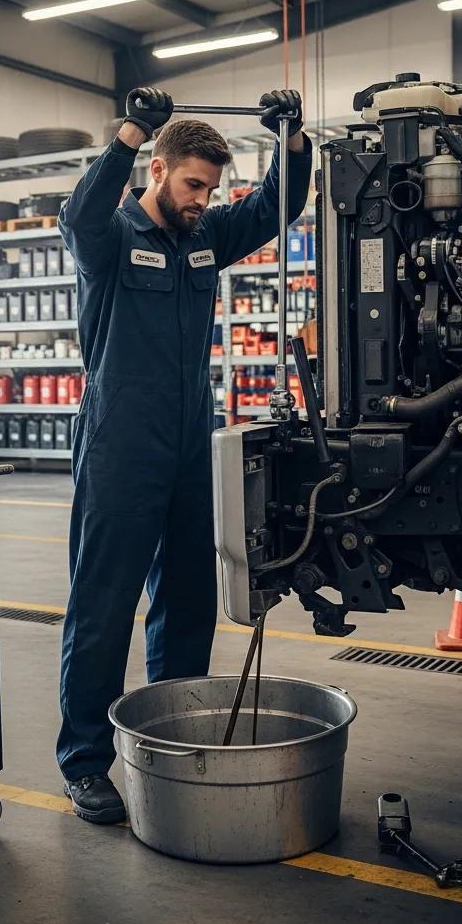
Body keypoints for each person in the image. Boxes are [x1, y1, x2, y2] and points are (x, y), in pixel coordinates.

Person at [56, 85, 312, 823]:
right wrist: (130, 133)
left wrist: (290, 142)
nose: (205, 198)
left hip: (191, 439)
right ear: (159, 171)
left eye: (213, 186)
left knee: (189, 600)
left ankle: (169, 741)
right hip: (120, 441)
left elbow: (276, 207)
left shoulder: (204, 237)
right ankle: (84, 764)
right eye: (194, 184)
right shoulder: (107, 238)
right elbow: (77, 215)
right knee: (103, 606)